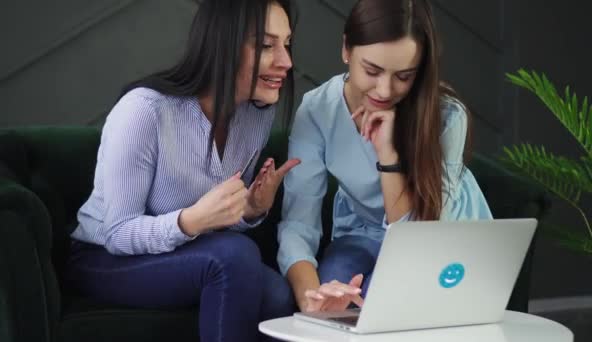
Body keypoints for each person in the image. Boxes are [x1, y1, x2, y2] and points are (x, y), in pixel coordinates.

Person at [65, 0, 300, 341]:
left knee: (277, 294)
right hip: (103, 257)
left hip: (185, 251)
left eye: (287, 44)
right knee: (234, 257)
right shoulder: (143, 111)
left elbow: (216, 218)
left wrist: (250, 209)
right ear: (223, 44)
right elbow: (117, 232)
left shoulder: (257, 114)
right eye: (266, 45)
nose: (286, 62)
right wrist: (190, 220)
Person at [277, 0, 493, 313]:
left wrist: (388, 155)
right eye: (372, 70)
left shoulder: (447, 116)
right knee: (333, 292)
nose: (385, 90)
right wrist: (312, 304)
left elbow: (417, 240)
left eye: (404, 76)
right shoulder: (317, 110)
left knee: (384, 304)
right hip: (362, 233)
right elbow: (299, 224)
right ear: (346, 50)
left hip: (437, 239)